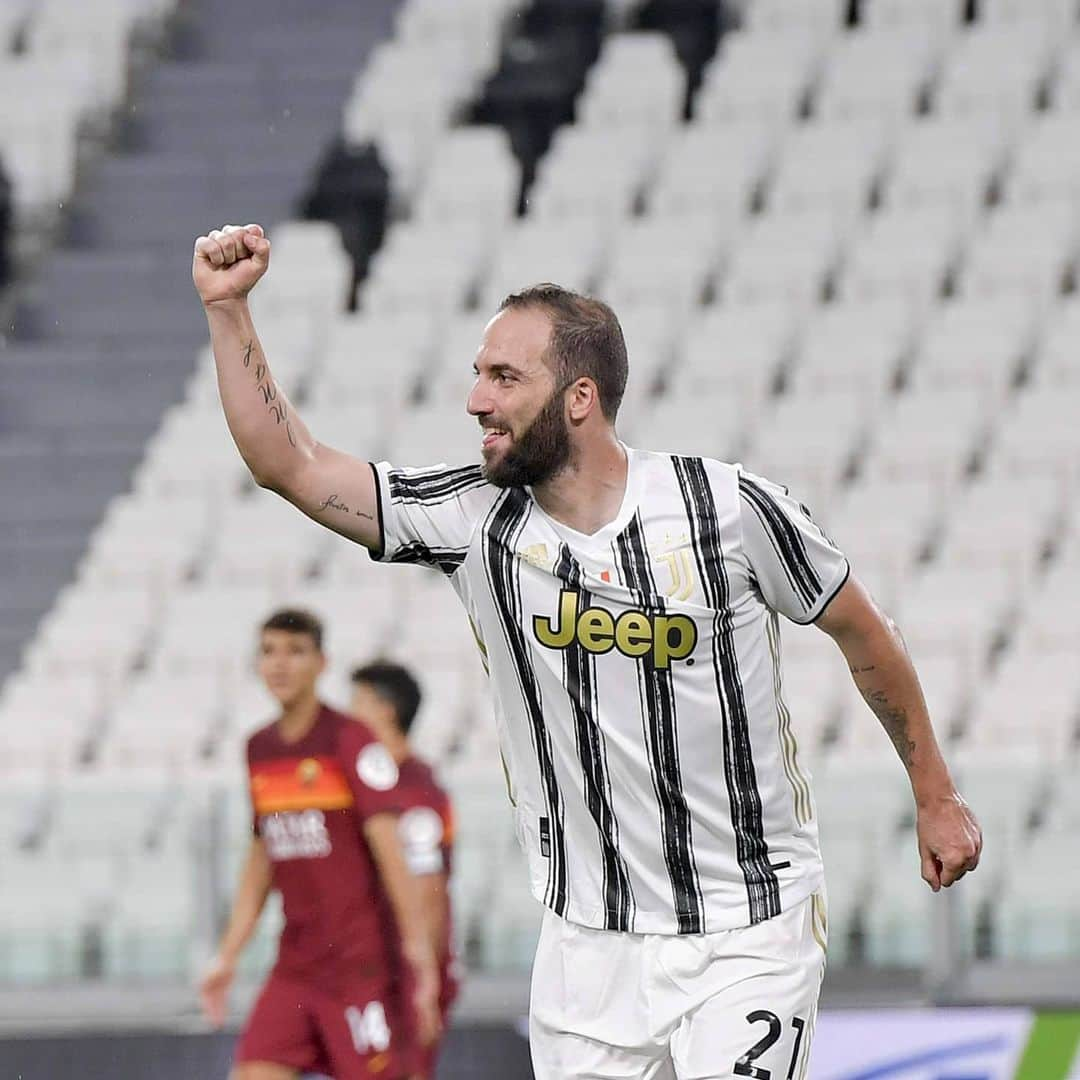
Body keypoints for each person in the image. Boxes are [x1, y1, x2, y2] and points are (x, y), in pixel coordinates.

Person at [193, 224, 982, 1080]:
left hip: (747, 927)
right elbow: (294, 466)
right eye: (476, 375)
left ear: (578, 397)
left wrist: (934, 793)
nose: (475, 401)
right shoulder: (473, 520)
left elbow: (863, 631)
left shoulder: (728, 508)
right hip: (587, 950)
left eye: (502, 378)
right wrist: (229, 311)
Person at [199, 608, 439, 1080]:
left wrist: (420, 960)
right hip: (295, 967)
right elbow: (261, 859)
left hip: (360, 968)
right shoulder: (259, 749)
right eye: (269, 652)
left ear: (321, 663)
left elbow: (393, 855)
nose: (280, 664)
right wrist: (227, 955)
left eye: (295, 651)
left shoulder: (351, 740)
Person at [349, 661, 459, 1080]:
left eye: (356, 702)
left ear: (385, 711)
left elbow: (429, 890)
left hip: (405, 974)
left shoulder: (414, 791)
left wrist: (423, 979)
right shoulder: (378, 782)